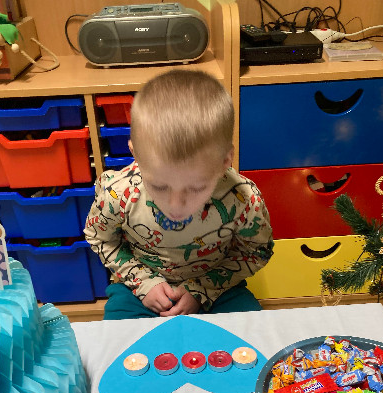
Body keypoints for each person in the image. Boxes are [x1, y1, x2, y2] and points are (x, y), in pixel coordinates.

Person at [84, 69, 274, 320]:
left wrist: (203, 288)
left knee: (251, 332)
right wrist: (143, 282)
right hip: (136, 289)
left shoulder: (244, 199)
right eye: (160, 186)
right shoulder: (118, 194)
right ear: (135, 154)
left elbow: (256, 251)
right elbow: (100, 238)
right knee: (120, 339)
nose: (175, 206)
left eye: (196, 188)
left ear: (225, 161)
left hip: (217, 286)